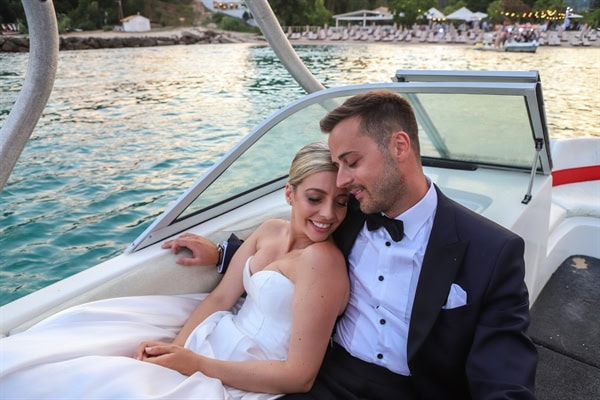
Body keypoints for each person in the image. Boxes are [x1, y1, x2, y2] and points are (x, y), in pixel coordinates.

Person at [176, 90, 538, 399]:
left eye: (351, 162)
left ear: (399, 146)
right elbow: (291, 247)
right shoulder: (346, 213)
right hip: (328, 377)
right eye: (338, 166)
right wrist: (221, 254)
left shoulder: (493, 251)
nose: (342, 182)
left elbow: (504, 375)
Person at [0, 142, 350, 399]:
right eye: (315, 198)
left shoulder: (322, 262)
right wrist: (175, 349)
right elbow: (220, 298)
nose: (328, 214)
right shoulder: (270, 230)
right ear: (289, 194)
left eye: (341, 202)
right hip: (215, 337)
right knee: (82, 359)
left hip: (248, 374)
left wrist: (193, 364)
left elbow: (298, 377)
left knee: (113, 387)